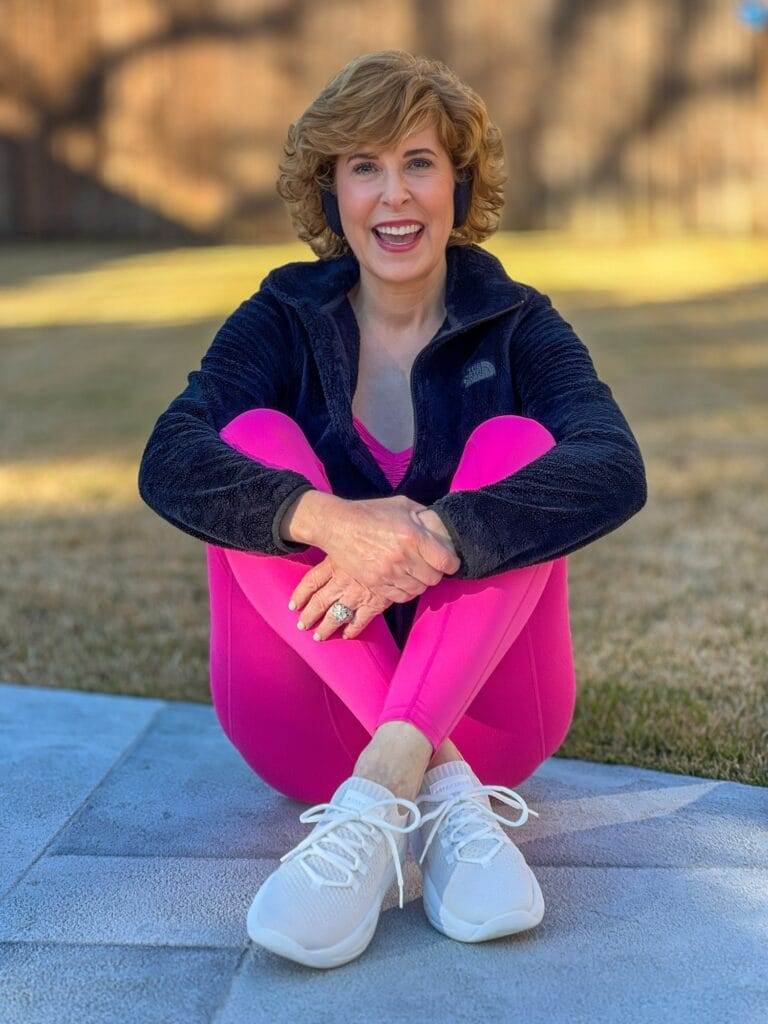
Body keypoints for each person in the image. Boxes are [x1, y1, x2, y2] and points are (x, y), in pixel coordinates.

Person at [138, 50, 647, 969]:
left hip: (494, 715)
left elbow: (613, 465)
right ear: (331, 192)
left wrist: (444, 532)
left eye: (418, 162)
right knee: (250, 440)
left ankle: (378, 803)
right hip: (306, 724)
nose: (394, 195)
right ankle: (443, 803)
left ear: (459, 180)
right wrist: (334, 521)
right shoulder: (285, 315)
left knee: (521, 452)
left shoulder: (517, 321)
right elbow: (170, 458)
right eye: (363, 167)